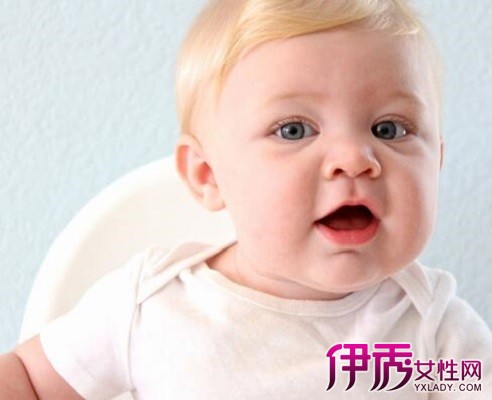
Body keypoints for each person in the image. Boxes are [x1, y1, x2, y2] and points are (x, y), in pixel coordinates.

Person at [1, 0, 490, 398]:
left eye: (389, 129)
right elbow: (27, 381)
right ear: (208, 175)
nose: (354, 159)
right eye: (294, 130)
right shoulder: (151, 307)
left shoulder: (431, 334)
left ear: (437, 160)